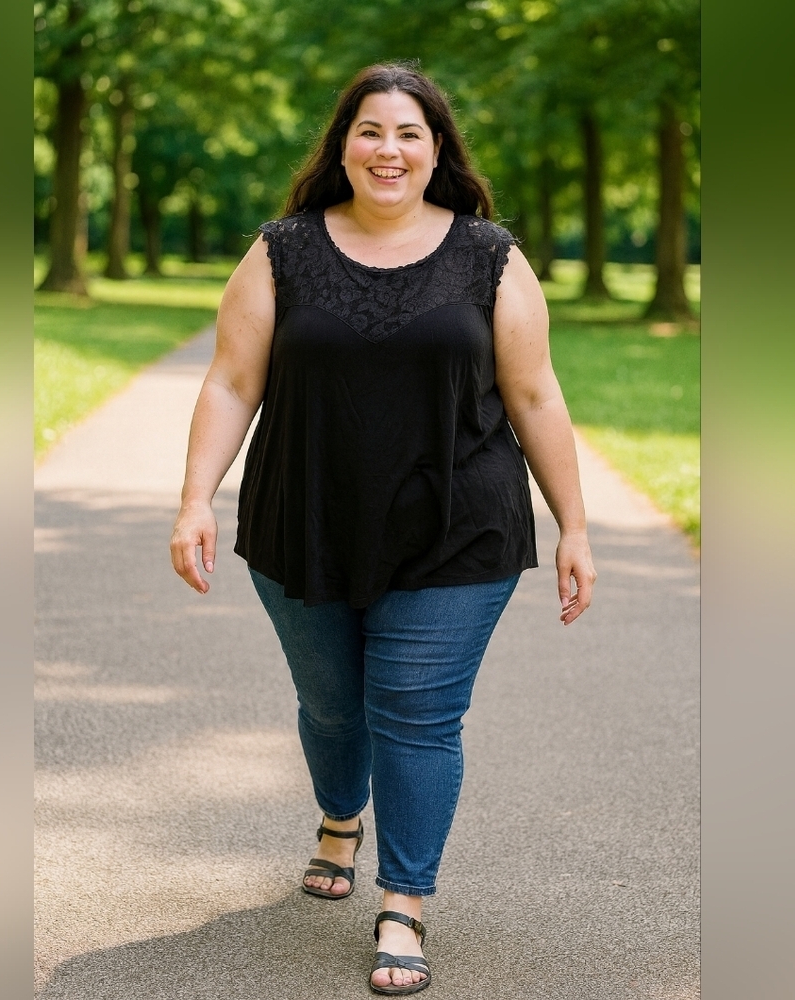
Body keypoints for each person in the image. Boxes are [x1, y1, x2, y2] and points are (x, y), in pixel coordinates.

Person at [170, 63, 596, 995]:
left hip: (458, 527)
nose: (389, 150)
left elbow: (534, 392)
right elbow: (232, 380)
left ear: (437, 149)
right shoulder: (282, 249)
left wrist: (573, 525)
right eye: (371, 131)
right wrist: (197, 497)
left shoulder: (490, 254)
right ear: (344, 145)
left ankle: (404, 901)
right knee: (332, 706)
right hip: (304, 520)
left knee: (416, 715)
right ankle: (338, 816)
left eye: (409, 134)